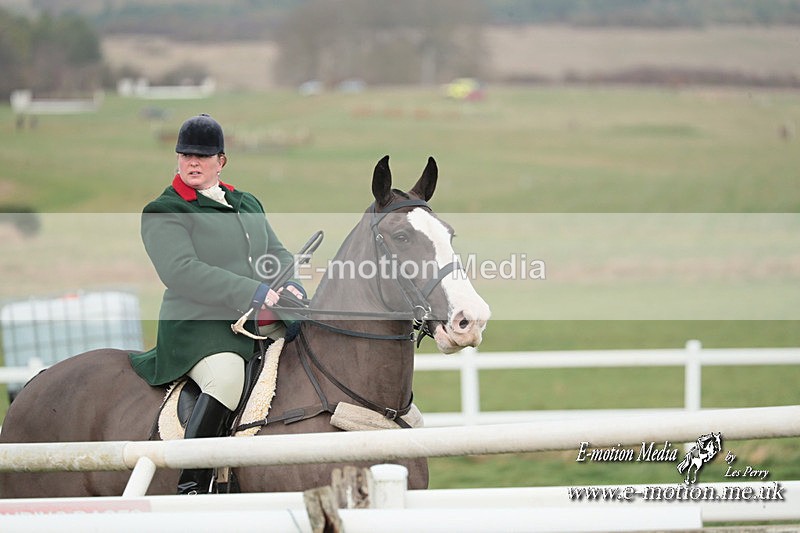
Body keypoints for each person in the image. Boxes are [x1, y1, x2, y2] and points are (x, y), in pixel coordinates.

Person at [129, 113, 305, 494]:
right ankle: (193, 483)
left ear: (221, 161)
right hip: (199, 326)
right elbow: (182, 271)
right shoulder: (164, 210)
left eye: (202, 156)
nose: (192, 163)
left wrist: (292, 286)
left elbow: (276, 254)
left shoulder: (246, 202)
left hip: (254, 318)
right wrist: (251, 291)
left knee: (310, 341)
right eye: (185, 155)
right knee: (226, 379)